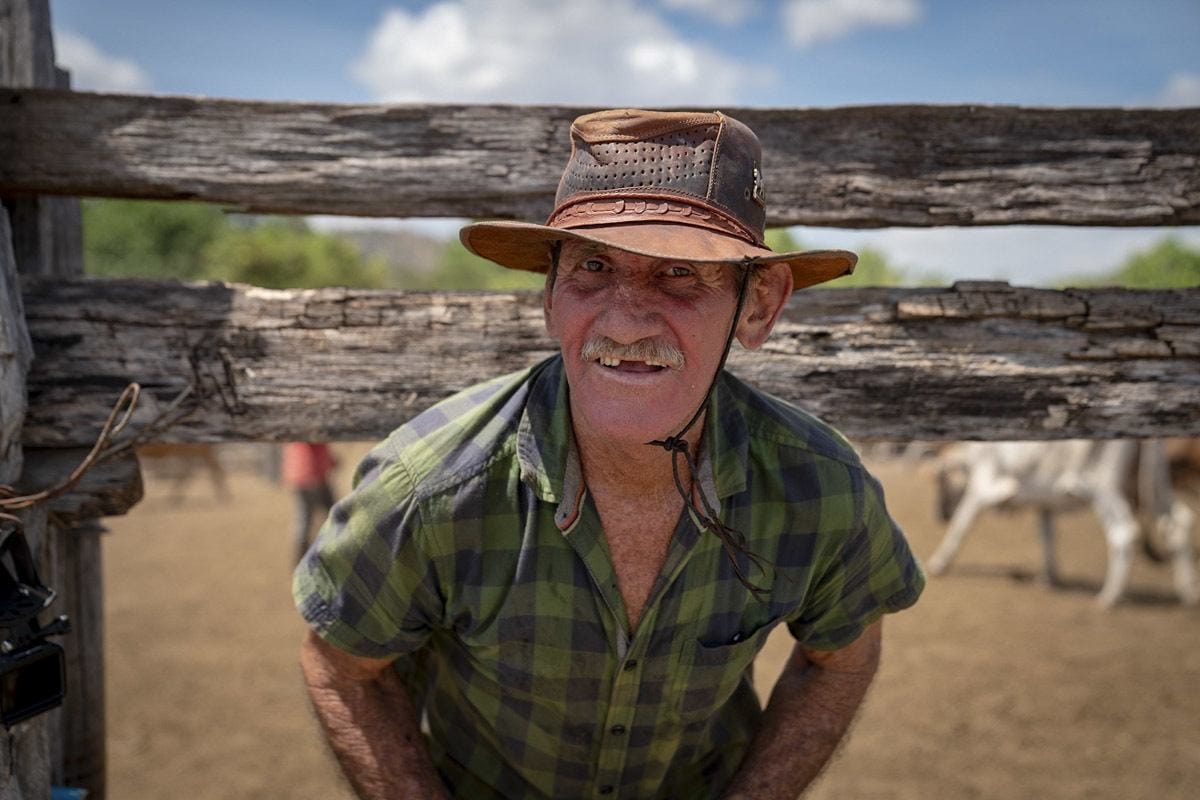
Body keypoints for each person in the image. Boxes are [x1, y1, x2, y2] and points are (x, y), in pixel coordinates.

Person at [293, 109, 925, 800]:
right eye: (592, 267)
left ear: (758, 305)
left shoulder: (818, 489)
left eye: (681, 274)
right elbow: (341, 667)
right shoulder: (430, 488)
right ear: (550, 296)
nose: (624, 319)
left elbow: (841, 655)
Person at [281, 441, 337, 563]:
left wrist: (330, 460)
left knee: (330, 516)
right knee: (308, 520)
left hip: (310, 473)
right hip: (309, 474)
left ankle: (307, 559)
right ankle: (301, 561)